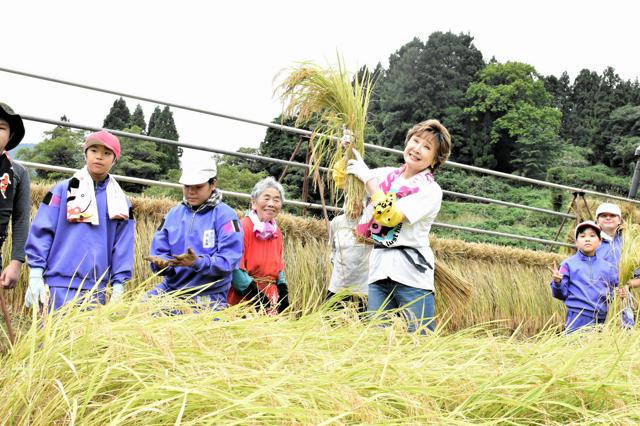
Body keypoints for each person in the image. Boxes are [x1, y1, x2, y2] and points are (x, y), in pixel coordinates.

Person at [345, 119, 452, 333]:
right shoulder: (386, 175)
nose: (417, 149)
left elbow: (389, 217)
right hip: (378, 271)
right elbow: (347, 178)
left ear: (435, 159)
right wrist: (346, 150)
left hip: (411, 275)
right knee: (377, 338)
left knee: (419, 339)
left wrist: (368, 178)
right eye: (416, 140)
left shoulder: (430, 191)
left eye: (427, 147)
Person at [24, 130, 134, 311]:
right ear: (85, 153)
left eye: (107, 153)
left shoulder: (121, 203)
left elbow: (122, 245)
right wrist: (35, 273)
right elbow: (43, 231)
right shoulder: (62, 190)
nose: (99, 157)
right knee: (52, 338)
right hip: (57, 285)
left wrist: (118, 285)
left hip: (96, 290)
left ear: (115, 160)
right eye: (94, 151)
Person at [145, 161, 243, 310]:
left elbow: (229, 259)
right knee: (137, 310)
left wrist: (197, 262)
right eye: (187, 186)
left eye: (198, 187)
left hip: (208, 294)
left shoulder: (227, 217)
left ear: (213, 184)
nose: (191, 192)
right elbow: (159, 251)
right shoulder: (173, 215)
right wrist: (162, 264)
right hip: (171, 289)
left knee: (192, 326)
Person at [227, 177, 288, 314]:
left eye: (276, 200)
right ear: (254, 203)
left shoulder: (276, 231)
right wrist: (257, 296)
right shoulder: (241, 226)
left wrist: (283, 290)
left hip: (270, 297)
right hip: (246, 297)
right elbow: (234, 268)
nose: (271, 204)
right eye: (266, 198)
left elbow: (279, 266)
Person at [550, 221, 619, 333]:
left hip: (602, 318)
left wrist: (620, 294)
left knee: (599, 348)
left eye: (592, 236)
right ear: (576, 242)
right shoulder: (568, 264)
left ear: (600, 242)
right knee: (576, 347)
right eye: (582, 236)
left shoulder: (608, 267)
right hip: (577, 317)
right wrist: (557, 282)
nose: (587, 239)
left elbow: (614, 291)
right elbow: (561, 294)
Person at [0, 103, 30, 290]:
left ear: (10, 135)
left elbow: (21, 219)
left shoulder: (18, 173)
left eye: (1, 127)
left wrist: (16, 262)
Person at [595, 202, 638, 326]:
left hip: (623, 297)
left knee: (624, 330)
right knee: (596, 329)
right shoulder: (591, 241)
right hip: (595, 295)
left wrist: (626, 285)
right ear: (597, 220)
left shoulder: (628, 243)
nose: (608, 218)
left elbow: (638, 276)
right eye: (603, 215)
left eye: (612, 215)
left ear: (620, 220)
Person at [325, 212, 371, 309]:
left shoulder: (370, 219)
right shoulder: (336, 222)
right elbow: (333, 249)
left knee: (361, 321)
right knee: (331, 320)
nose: (355, 203)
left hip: (362, 288)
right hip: (338, 285)